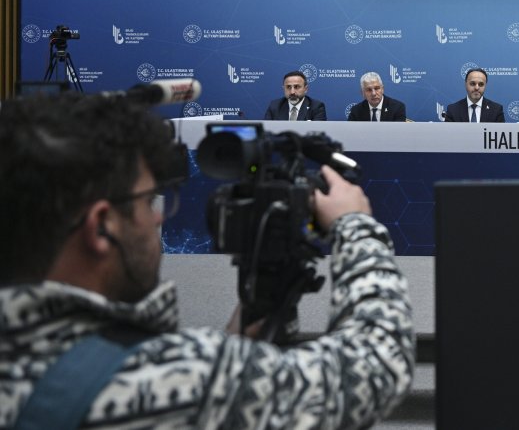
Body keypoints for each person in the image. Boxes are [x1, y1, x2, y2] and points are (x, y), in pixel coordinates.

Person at [0, 92, 414, 428]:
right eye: (146, 202)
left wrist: (241, 346)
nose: (158, 216)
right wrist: (356, 226)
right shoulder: (174, 380)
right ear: (101, 227)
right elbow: (374, 369)